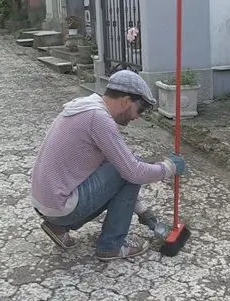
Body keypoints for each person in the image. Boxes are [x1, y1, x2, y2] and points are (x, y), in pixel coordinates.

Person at [30, 70, 186, 261]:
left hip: (45, 204)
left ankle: (58, 227)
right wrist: (169, 167)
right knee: (130, 168)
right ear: (126, 102)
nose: (137, 117)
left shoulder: (86, 107)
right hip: (61, 206)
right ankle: (111, 246)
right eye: (140, 110)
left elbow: (114, 166)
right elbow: (133, 172)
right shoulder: (99, 119)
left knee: (123, 166)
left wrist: (142, 210)